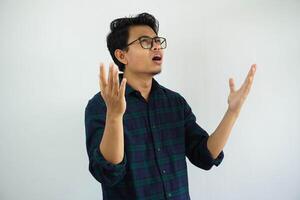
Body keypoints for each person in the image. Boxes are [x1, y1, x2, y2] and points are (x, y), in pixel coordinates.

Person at [84, 12, 257, 200]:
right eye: (146, 42)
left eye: (157, 41)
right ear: (122, 55)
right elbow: (109, 173)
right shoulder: (100, 106)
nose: (157, 46)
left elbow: (205, 156)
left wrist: (232, 112)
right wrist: (114, 117)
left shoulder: (175, 103)